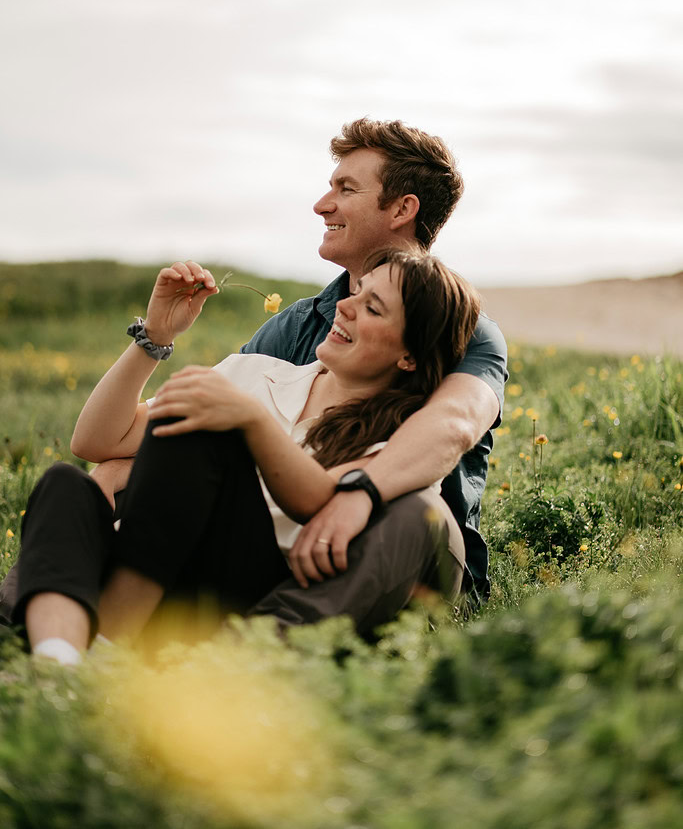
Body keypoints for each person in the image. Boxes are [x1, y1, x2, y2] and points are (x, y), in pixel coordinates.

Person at [0, 116, 507, 626]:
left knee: (416, 514)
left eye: (345, 188)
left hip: (386, 546)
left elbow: (452, 425)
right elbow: (214, 428)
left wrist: (358, 493)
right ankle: (54, 631)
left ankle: (259, 656)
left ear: (402, 208)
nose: (321, 204)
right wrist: (154, 354)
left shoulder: (464, 332)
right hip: (268, 537)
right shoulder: (298, 328)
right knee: (89, 482)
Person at [10, 248, 480, 662]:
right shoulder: (255, 373)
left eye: (372, 308)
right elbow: (96, 442)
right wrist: (154, 336)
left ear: (409, 357)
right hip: (150, 558)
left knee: (203, 432)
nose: (345, 307)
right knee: (64, 485)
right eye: (357, 292)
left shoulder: (404, 437)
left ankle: (108, 649)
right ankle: (59, 668)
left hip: (243, 592)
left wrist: (249, 421)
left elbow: (321, 499)